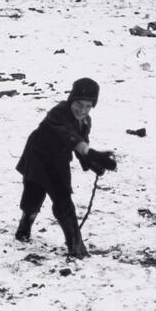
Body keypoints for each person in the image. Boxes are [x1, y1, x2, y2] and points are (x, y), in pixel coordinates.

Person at [15, 77, 116, 258]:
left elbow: (81, 144)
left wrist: (93, 163)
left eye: (88, 106)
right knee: (33, 197)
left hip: (58, 162)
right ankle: (25, 225)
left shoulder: (85, 121)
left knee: (63, 201)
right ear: (71, 99)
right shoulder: (58, 113)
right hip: (37, 157)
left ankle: (75, 246)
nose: (82, 110)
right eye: (78, 103)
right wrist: (91, 153)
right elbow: (69, 136)